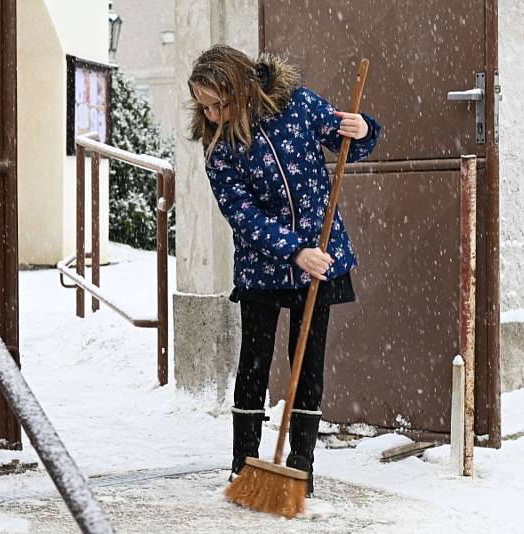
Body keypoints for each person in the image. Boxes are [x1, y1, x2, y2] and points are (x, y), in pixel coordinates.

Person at [187, 44, 381, 496]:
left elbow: (345, 140)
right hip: (262, 268)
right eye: (206, 107)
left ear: (244, 88)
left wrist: (362, 127)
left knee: (307, 365)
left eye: (221, 103)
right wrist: (295, 250)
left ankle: (300, 470)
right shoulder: (219, 146)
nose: (214, 114)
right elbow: (243, 214)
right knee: (253, 365)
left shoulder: (295, 104)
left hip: (321, 261)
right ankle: (243, 466)